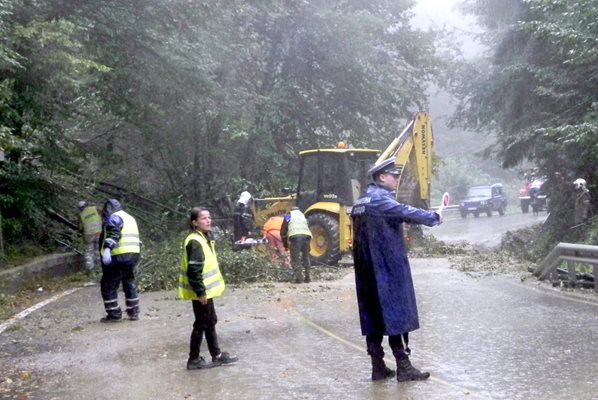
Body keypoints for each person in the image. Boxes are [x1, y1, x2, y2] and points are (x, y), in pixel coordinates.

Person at [350, 158, 442, 382]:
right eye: (394, 176)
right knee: (395, 314)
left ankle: (378, 366)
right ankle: (403, 365)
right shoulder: (381, 201)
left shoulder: (360, 202)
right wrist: (434, 217)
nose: (397, 179)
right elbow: (405, 211)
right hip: (386, 268)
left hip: (365, 272)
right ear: (382, 178)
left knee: (371, 315)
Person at [178, 207, 239, 370]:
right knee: (201, 323)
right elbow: (194, 270)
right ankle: (194, 359)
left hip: (205, 291)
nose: (208, 220)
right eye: (204, 218)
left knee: (209, 321)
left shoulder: (203, 238)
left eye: (209, 217)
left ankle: (216, 355)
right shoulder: (195, 242)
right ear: (195, 223)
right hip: (201, 293)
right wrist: (200, 292)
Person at [98, 199, 141, 322]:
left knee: (108, 284)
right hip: (133, 255)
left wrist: (107, 249)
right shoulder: (130, 218)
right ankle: (133, 312)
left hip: (118, 255)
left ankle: (114, 313)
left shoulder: (114, 217)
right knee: (129, 281)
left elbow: (113, 232)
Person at [281, 207, 312, 283]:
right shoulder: (303, 215)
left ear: (291, 210)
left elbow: (283, 231)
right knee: (306, 257)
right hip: (307, 237)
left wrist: (285, 245)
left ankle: (299, 278)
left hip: (296, 237)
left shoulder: (289, 215)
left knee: (295, 258)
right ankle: (307, 277)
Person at [77, 200, 102, 270]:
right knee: (98, 250)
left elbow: (80, 228)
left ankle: (90, 268)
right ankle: (99, 268)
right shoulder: (95, 209)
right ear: (87, 205)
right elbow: (103, 215)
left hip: (88, 235)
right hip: (99, 232)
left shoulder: (80, 215)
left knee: (89, 251)